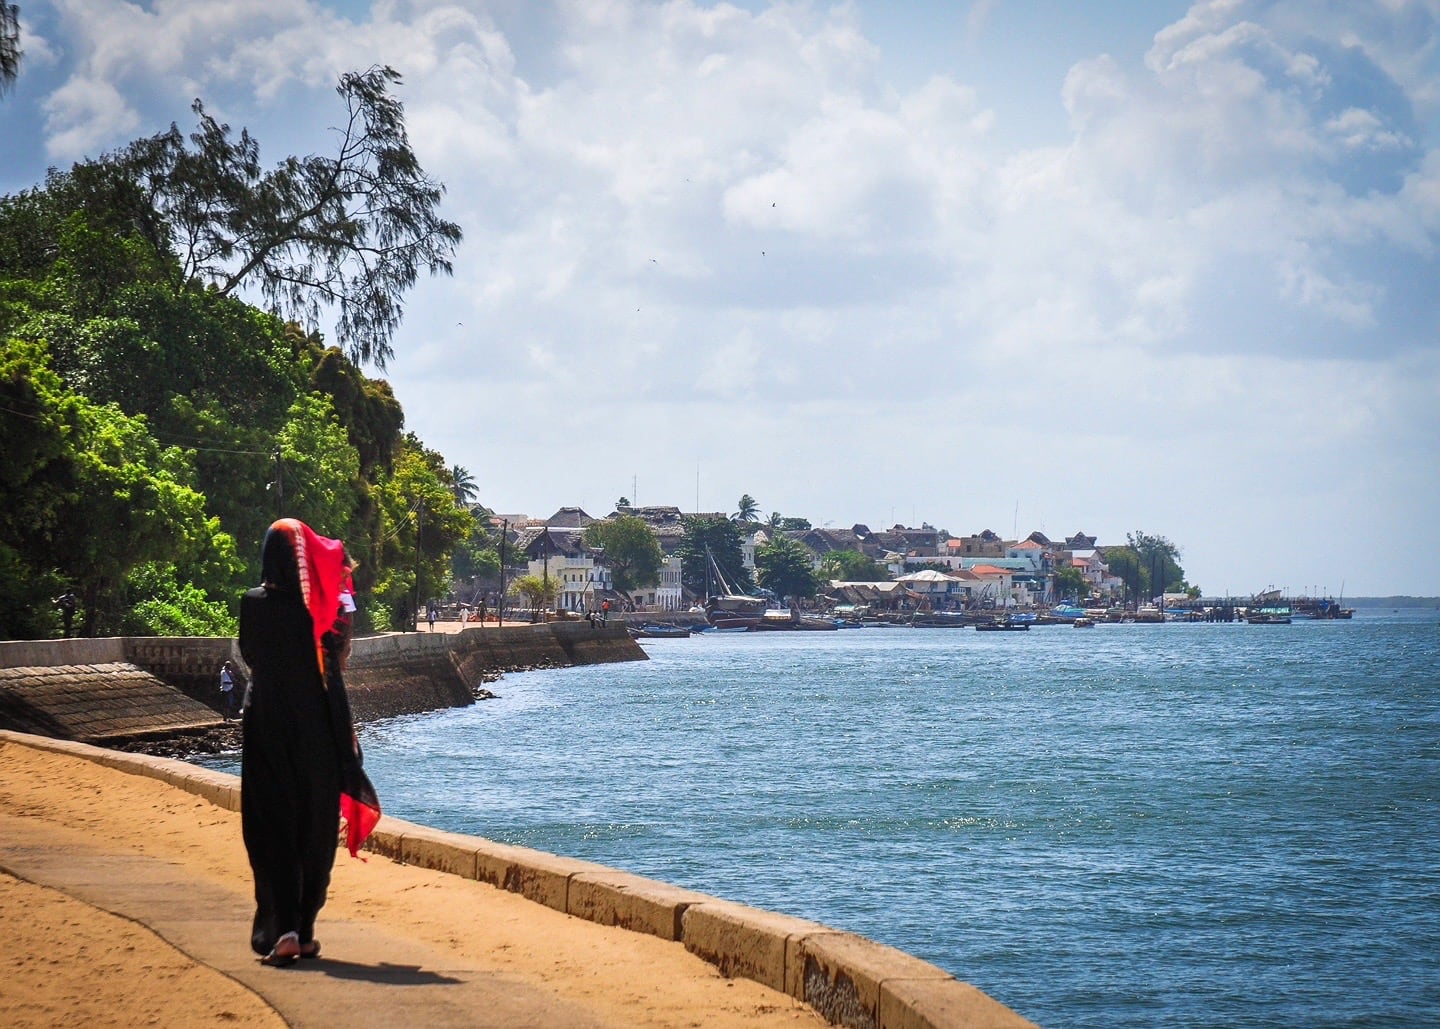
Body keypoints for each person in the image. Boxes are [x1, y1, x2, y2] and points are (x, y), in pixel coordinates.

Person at [239, 518, 380, 967]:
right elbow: (338, 663)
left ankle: (282, 930)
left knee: (272, 824)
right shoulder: (319, 613)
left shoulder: (253, 603)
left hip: (267, 726)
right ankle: (305, 929)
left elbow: (251, 655)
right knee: (315, 828)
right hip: (319, 728)